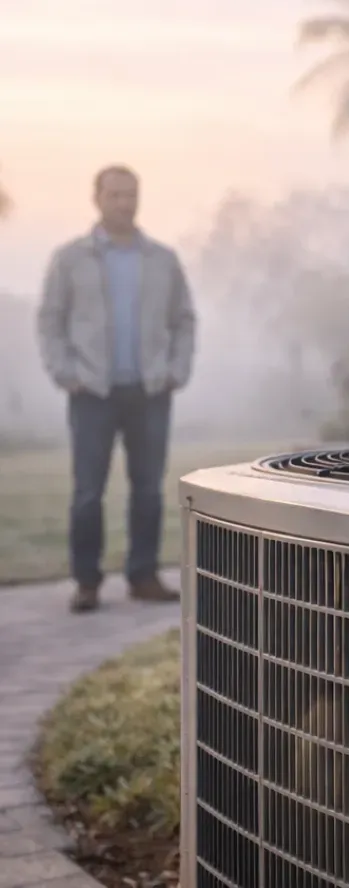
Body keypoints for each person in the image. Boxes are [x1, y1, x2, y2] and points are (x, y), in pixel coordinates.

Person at [37, 165, 196, 613]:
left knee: (148, 489)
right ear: (97, 199)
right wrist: (64, 371)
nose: (124, 203)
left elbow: (184, 320)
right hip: (91, 392)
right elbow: (50, 321)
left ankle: (143, 576)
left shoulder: (163, 260)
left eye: (131, 195)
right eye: (115, 195)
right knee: (88, 491)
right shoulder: (70, 258)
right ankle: (87, 582)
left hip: (150, 392)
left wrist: (175, 370)